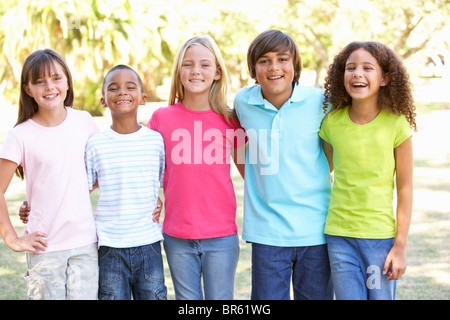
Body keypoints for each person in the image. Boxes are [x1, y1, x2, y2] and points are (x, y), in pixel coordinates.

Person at [233, 29, 333, 300]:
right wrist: (259, 177)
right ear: (253, 69)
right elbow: (236, 146)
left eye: (282, 59)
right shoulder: (243, 101)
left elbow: (332, 153)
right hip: (267, 231)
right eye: (264, 60)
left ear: (295, 65)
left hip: (316, 229)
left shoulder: (320, 102)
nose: (273, 67)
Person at [147, 35, 245, 300]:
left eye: (204, 65)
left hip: (222, 235)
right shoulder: (161, 119)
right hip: (177, 235)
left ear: (217, 72)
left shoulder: (231, 120)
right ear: (179, 71)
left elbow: (252, 176)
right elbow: (144, 170)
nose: (196, 71)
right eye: (188, 64)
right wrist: (151, 195)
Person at [319, 41, 416, 300]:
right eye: (350, 68)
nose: (357, 74)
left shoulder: (396, 126)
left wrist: (400, 245)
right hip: (339, 237)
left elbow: (406, 187)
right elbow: (322, 171)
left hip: (380, 240)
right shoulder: (331, 123)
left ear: (384, 78)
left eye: (367, 68)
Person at [0, 49, 99, 299]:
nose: (49, 86)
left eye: (56, 78)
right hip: (45, 248)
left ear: (67, 81)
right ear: (27, 89)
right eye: (40, 81)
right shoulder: (20, 135)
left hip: (86, 244)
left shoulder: (84, 121)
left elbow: (99, 174)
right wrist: (12, 239)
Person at [84, 65, 167, 300]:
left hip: (148, 243)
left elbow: (163, 182)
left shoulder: (155, 141)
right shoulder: (95, 144)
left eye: (130, 87)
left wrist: (159, 200)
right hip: (109, 245)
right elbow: (83, 189)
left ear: (142, 99)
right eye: (114, 88)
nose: (122, 92)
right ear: (103, 100)